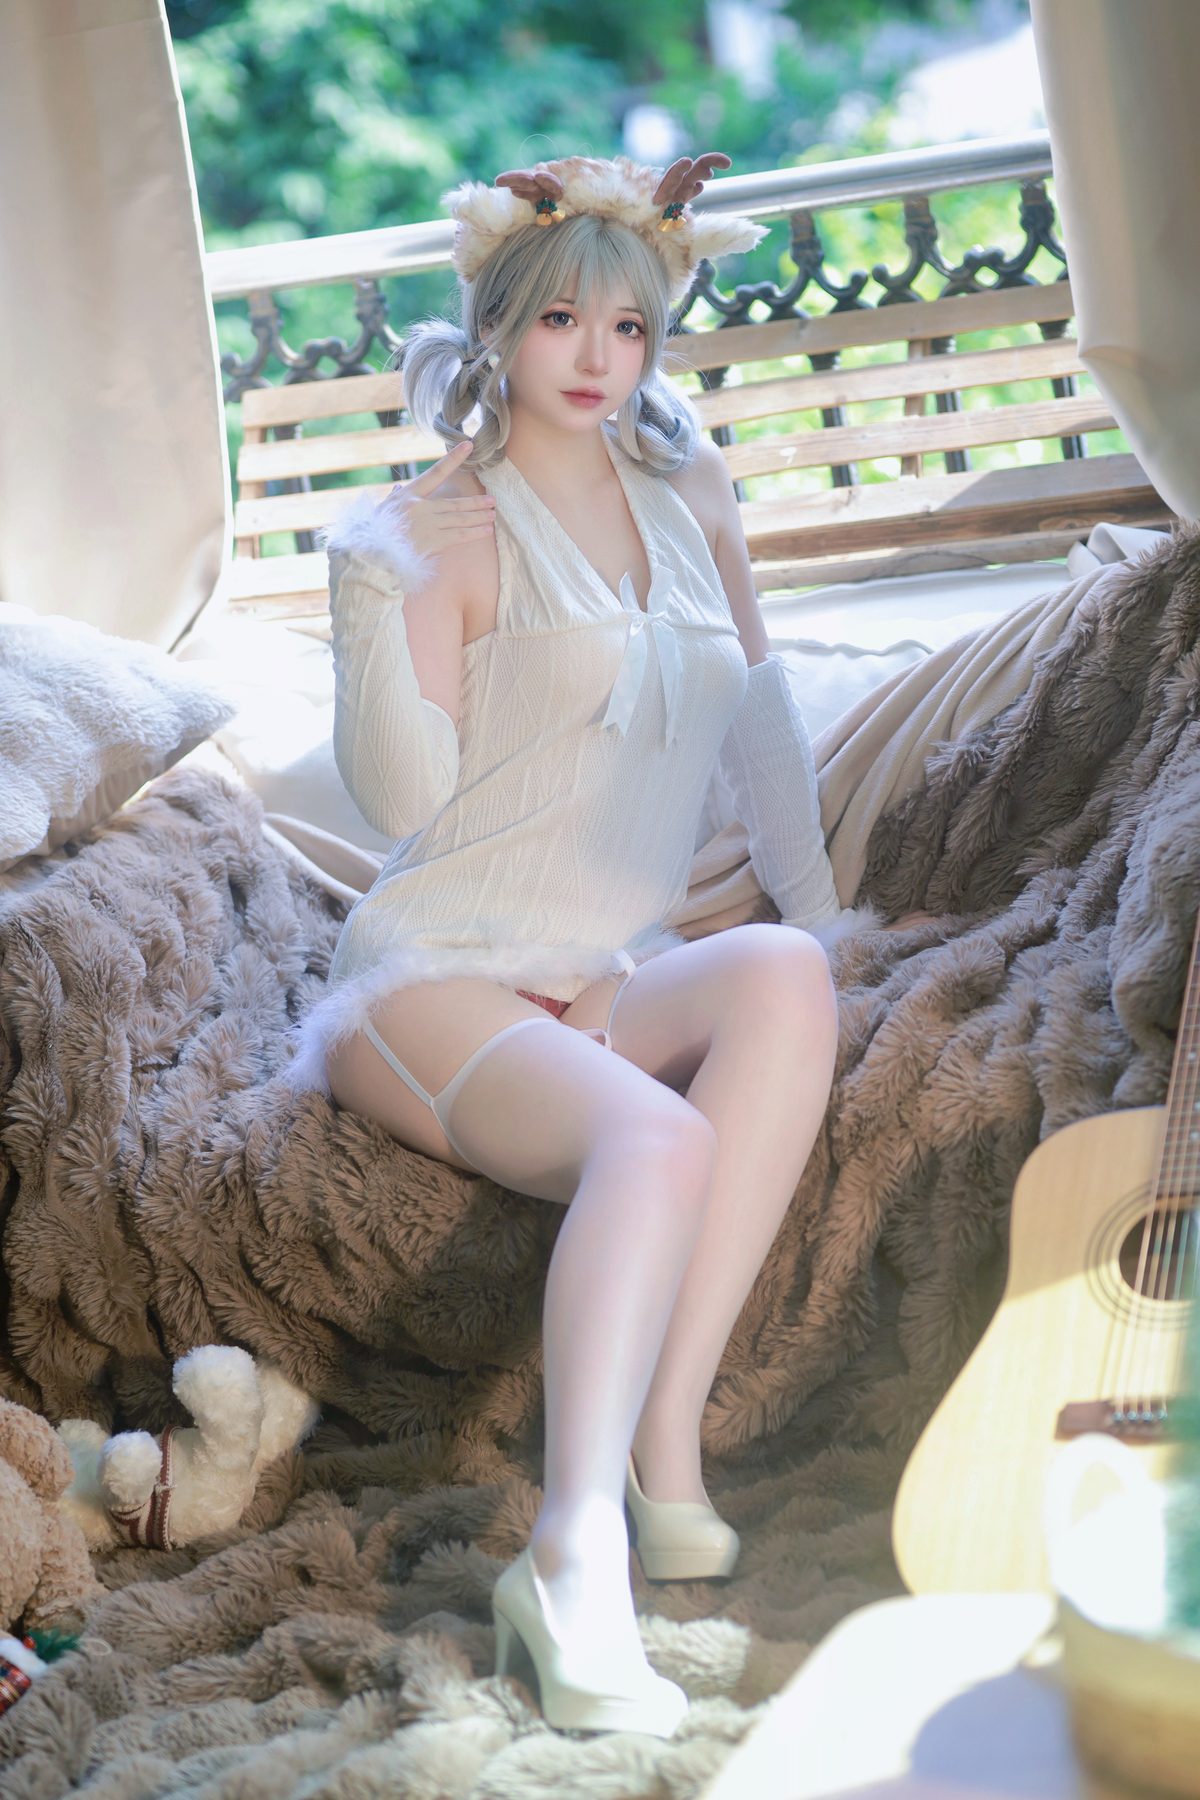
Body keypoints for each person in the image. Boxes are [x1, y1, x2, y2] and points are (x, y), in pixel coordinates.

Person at [283, 152, 883, 1737]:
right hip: (433, 974)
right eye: (560, 319)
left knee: (789, 973)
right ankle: (568, 1552)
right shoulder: (443, 526)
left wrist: (821, 910)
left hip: (604, 963)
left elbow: (758, 718)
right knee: (659, 1138)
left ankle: (665, 1442)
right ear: (498, 327)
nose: (598, 356)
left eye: (629, 325)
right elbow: (402, 798)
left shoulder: (692, 493)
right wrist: (375, 582)